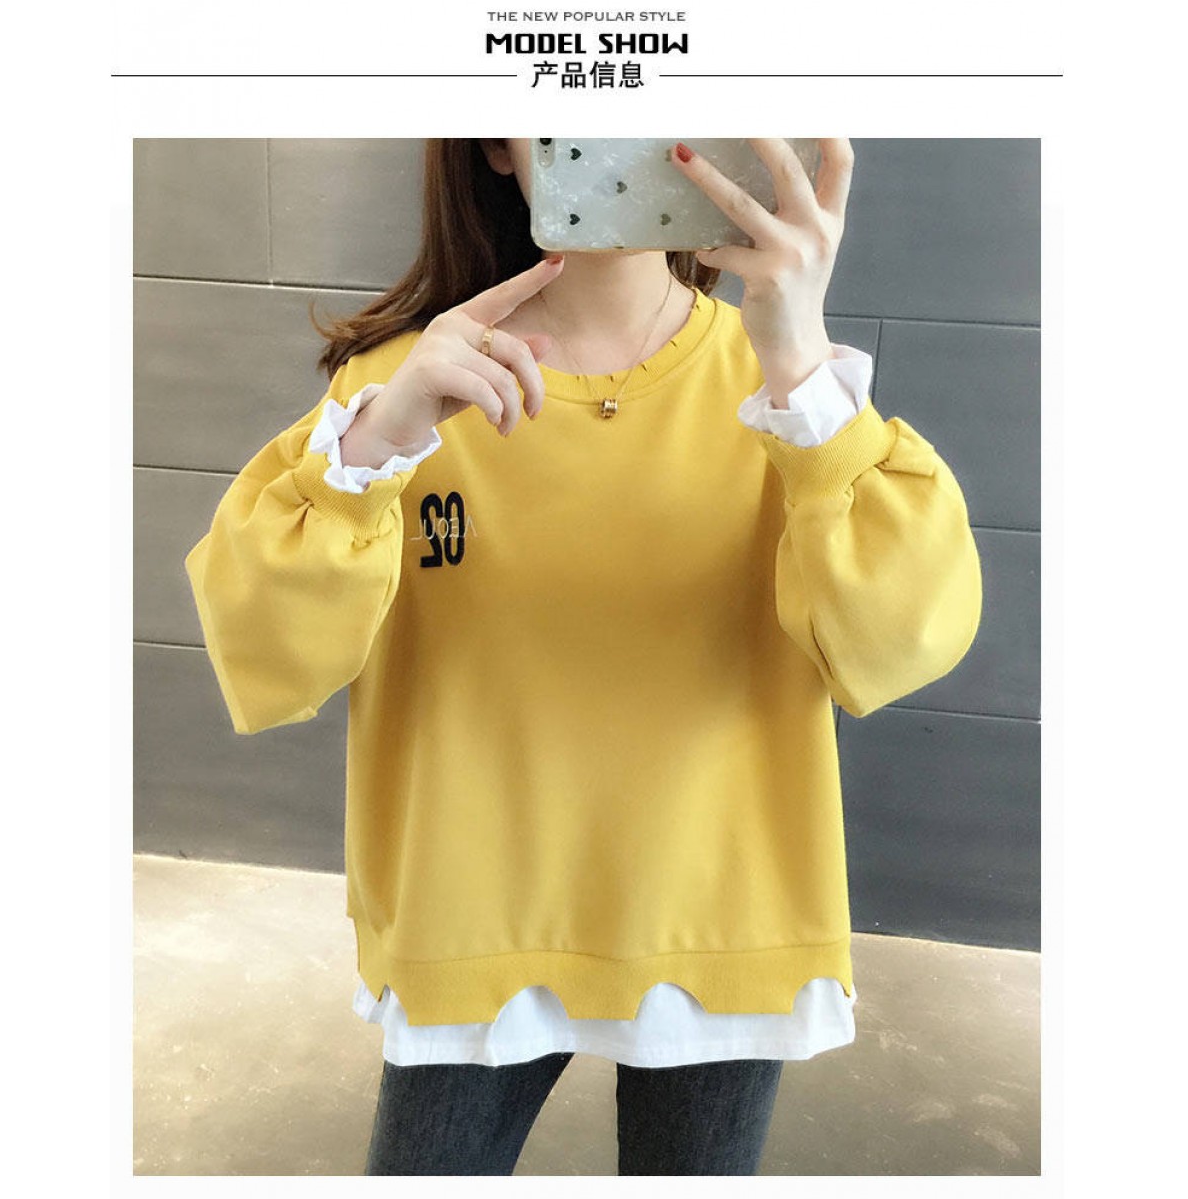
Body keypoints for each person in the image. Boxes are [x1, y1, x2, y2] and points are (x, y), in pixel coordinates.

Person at [185, 138, 982, 1175]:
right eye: (567, 105)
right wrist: (376, 448)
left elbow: (901, 638)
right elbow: (265, 650)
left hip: (725, 917)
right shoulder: (404, 390)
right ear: (495, 144)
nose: (613, 139)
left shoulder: (787, 388)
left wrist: (802, 367)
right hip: (475, 924)